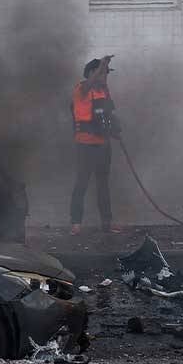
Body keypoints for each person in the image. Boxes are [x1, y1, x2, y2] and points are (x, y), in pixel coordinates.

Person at [69, 56, 122, 235]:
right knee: (81, 183)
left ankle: (107, 223)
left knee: (103, 185)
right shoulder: (81, 90)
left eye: (106, 73)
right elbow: (88, 84)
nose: (105, 76)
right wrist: (101, 66)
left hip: (103, 145)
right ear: (92, 73)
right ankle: (75, 224)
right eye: (102, 73)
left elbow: (109, 115)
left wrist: (115, 129)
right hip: (85, 145)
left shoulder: (104, 91)